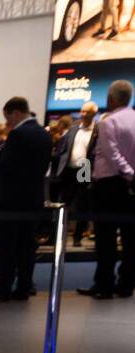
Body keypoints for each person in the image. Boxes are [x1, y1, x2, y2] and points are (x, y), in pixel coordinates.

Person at [0, 97, 52, 301]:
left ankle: (3, 287)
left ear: (14, 112)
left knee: (8, 246)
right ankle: (24, 287)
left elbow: (8, 167)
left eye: (8, 117)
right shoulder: (44, 134)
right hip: (33, 199)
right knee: (26, 247)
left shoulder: (18, 134)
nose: (8, 122)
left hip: (12, 200)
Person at [80, 80, 135, 298]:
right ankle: (126, 285)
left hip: (109, 185)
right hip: (131, 187)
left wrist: (129, 174)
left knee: (106, 239)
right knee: (131, 238)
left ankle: (104, 285)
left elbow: (112, 155)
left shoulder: (107, 122)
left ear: (111, 98)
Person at [55, 101, 99, 245]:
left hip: (84, 167)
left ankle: (77, 237)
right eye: (82, 111)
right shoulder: (74, 128)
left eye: (87, 112)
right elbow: (64, 147)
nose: (84, 114)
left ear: (94, 113)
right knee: (64, 203)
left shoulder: (97, 130)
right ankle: (58, 235)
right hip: (69, 168)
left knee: (82, 203)